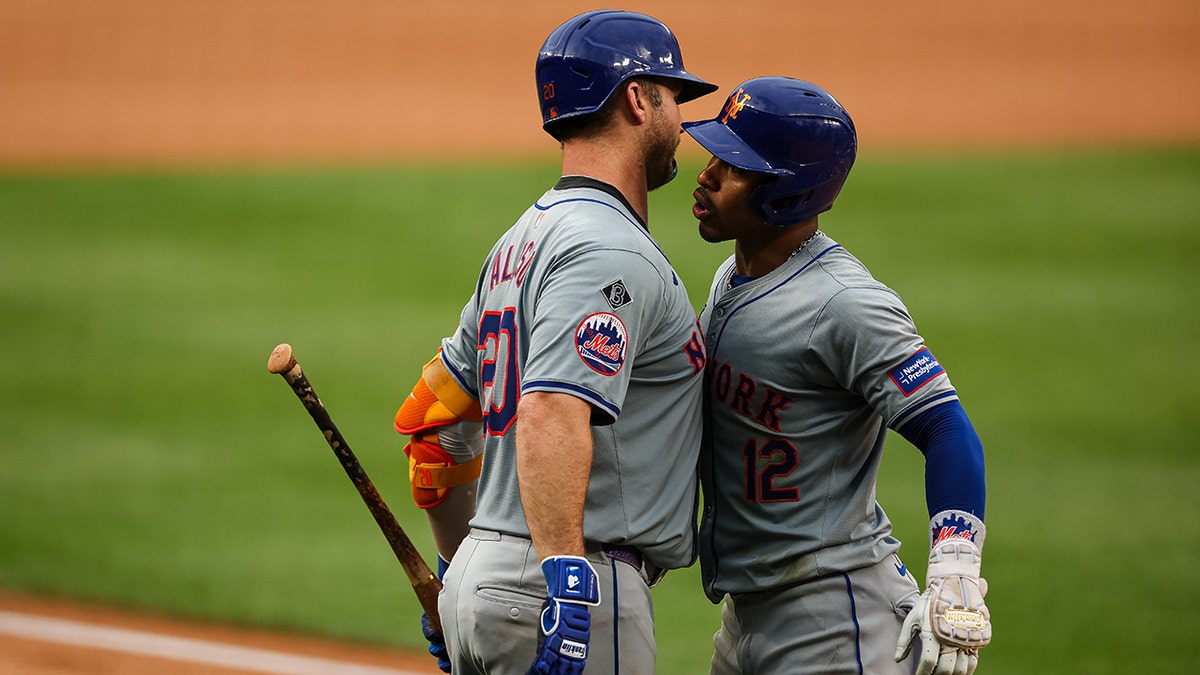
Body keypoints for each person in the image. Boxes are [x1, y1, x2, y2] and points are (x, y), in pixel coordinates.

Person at [392, 10, 717, 675]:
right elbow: (550, 408)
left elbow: (433, 424)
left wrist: (457, 577)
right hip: (565, 584)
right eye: (673, 97)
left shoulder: (519, 242)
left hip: (490, 581)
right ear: (636, 98)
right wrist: (567, 585)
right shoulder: (609, 249)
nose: (681, 122)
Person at [681, 76, 992, 675]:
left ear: (788, 195)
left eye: (735, 168)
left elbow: (949, 428)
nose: (707, 176)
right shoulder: (731, 278)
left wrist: (956, 569)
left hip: (834, 618)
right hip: (749, 617)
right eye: (715, 156)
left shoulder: (844, 303)